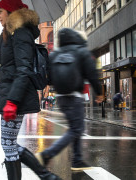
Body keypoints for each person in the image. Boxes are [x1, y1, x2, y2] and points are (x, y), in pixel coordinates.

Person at [0, 0, 61, 179]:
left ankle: (46, 176)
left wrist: (12, 101)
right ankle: (47, 176)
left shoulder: (21, 33)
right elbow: (6, 66)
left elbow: (23, 70)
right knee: (8, 143)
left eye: (0, 11)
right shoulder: (9, 34)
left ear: (10, 11)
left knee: (8, 144)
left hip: (16, 96)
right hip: (11, 93)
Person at [35, 28, 102, 172]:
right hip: (75, 96)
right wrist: (99, 92)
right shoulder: (81, 51)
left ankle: (77, 160)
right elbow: (92, 74)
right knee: (77, 128)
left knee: (75, 127)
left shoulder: (54, 55)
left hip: (61, 97)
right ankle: (47, 154)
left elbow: (50, 79)